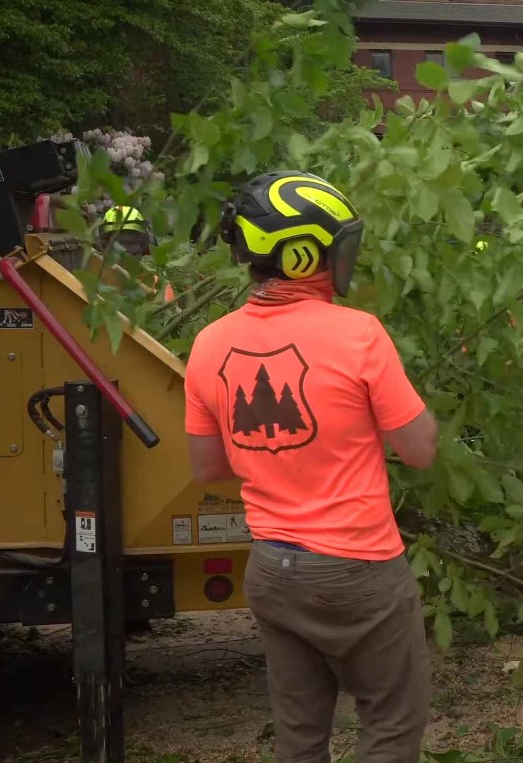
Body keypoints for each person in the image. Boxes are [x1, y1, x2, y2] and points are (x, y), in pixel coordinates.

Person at [183, 170, 439, 763]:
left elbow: (207, 468)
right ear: (302, 253)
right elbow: (419, 450)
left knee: (299, 737)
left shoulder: (208, 344)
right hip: (360, 570)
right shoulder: (359, 335)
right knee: (393, 724)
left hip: (274, 568)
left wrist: (281, 456)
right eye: (337, 246)